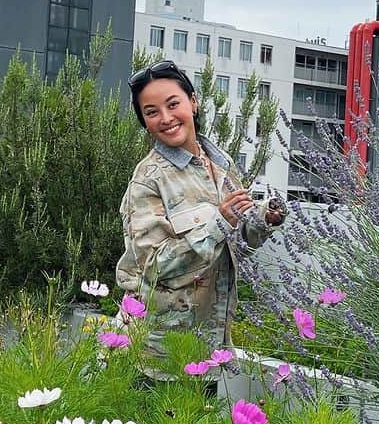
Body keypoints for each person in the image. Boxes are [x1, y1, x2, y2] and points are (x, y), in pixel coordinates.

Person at [116, 60, 286, 354]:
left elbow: (237, 239)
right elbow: (154, 266)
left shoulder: (221, 164)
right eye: (151, 112)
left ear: (193, 102)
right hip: (158, 352)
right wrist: (218, 222)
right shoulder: (147, 180)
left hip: (210, 344)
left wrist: (262, 218)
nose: (166, 118)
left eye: (173, 104)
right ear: (144, 122)